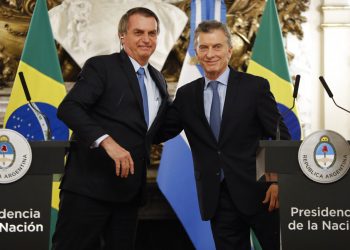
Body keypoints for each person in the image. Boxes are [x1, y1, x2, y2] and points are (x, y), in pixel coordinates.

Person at [155, 20, 290, 250]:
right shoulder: (186, 95)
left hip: (262, 194)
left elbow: (280, 136)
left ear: (229, 50)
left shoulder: (255, 87)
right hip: (217, 198)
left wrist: (277, 181)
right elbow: (161, 131)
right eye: (203, 47)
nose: (210, 54)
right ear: (196, 51)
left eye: (216, 47)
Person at [52, 7, 169, 250]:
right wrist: (107, 141)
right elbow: (69, 108)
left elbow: (154, 131)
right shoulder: (101, 66)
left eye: (152, 33)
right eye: (138, 32)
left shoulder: (157, 79)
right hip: (88, 191)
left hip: (129, 194)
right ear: (122, 36)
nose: (146, 39)